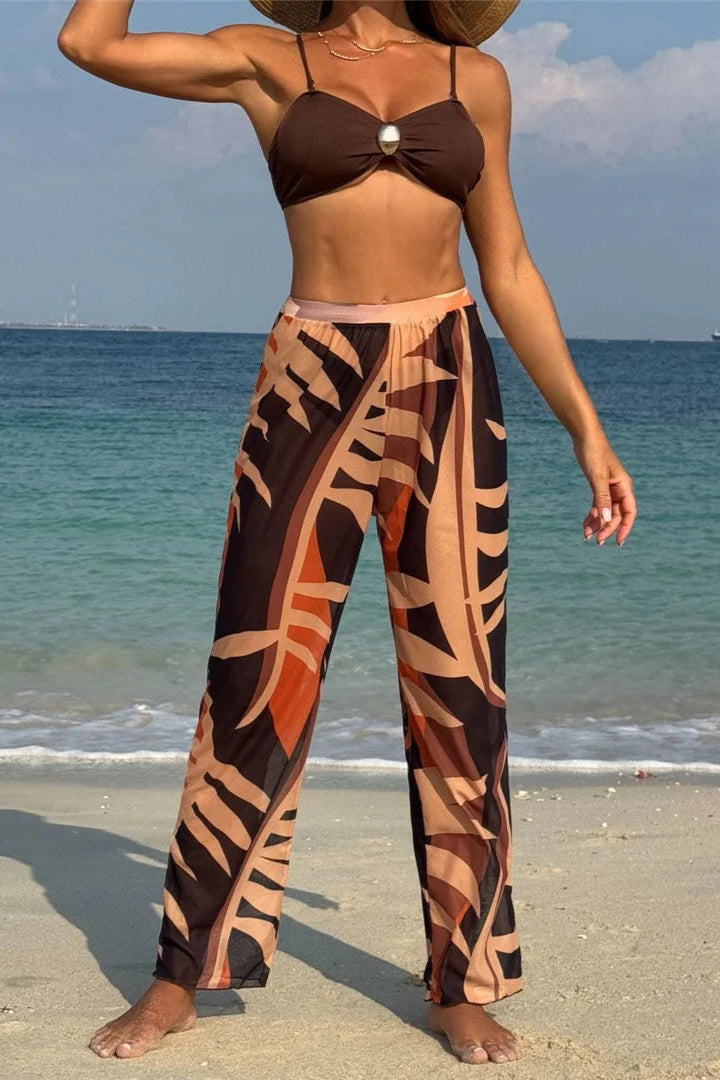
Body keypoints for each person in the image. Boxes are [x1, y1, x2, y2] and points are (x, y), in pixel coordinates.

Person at [56, 0, 637, 1066]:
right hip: (309, 379)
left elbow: (507, 264)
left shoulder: (476, 78)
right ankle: (185, 973)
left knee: (462, 687)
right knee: (255, 672)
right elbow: (88, 43)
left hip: (453, 377)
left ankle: (462, 981)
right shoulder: (263, 60)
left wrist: (587, 429)